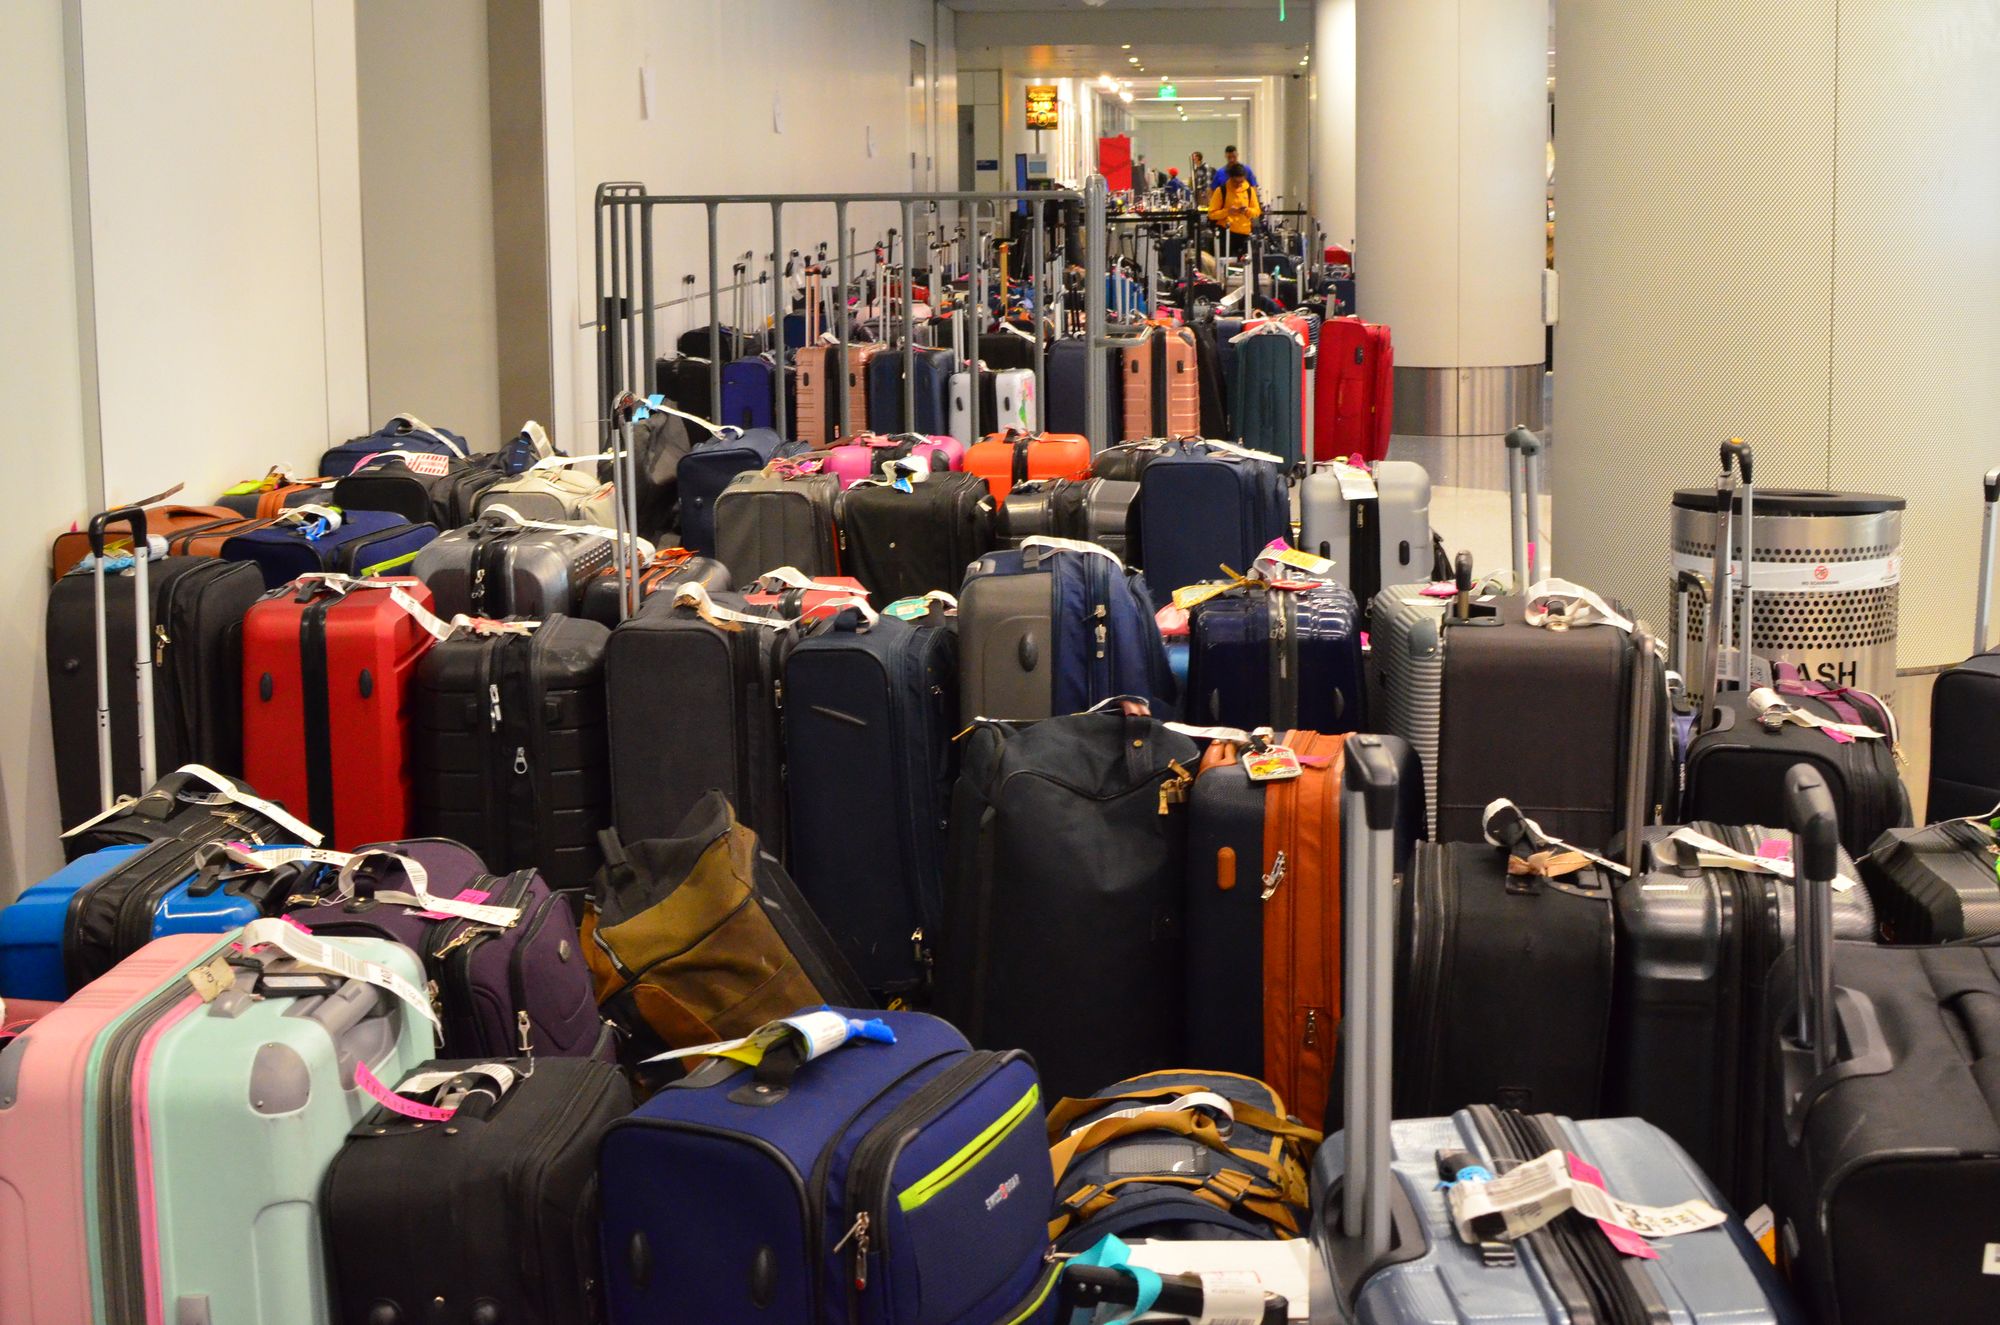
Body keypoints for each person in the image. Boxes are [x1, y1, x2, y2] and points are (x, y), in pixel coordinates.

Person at [1207, 161, 1261, 256]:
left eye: (1241, 182)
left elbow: (1257, 211)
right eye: (1236, 182)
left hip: (1244, 234)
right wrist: (1228, 211)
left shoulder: (1249, 190)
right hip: (1225, 233)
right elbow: (1211, 214)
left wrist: (1247, 210)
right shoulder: (1221, 191)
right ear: (1230, 178)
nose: (1238, 185)